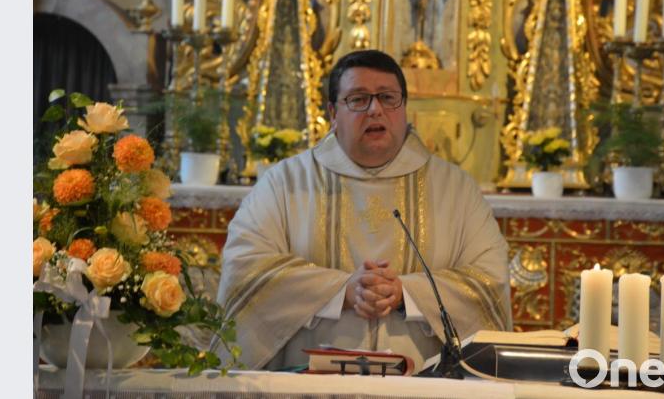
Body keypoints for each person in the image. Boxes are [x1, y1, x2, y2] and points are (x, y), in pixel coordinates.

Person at [216, 50, 512, 370]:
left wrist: (406, 294)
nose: (375, 109)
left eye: (387, 98)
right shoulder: (284, 184)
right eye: (358, 99)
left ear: (404, 107)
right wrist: (341, 291)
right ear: (333, 112)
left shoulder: (456, 189)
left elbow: (489, 278)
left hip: (426, 382)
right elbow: (244, 268)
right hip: (308, 384)